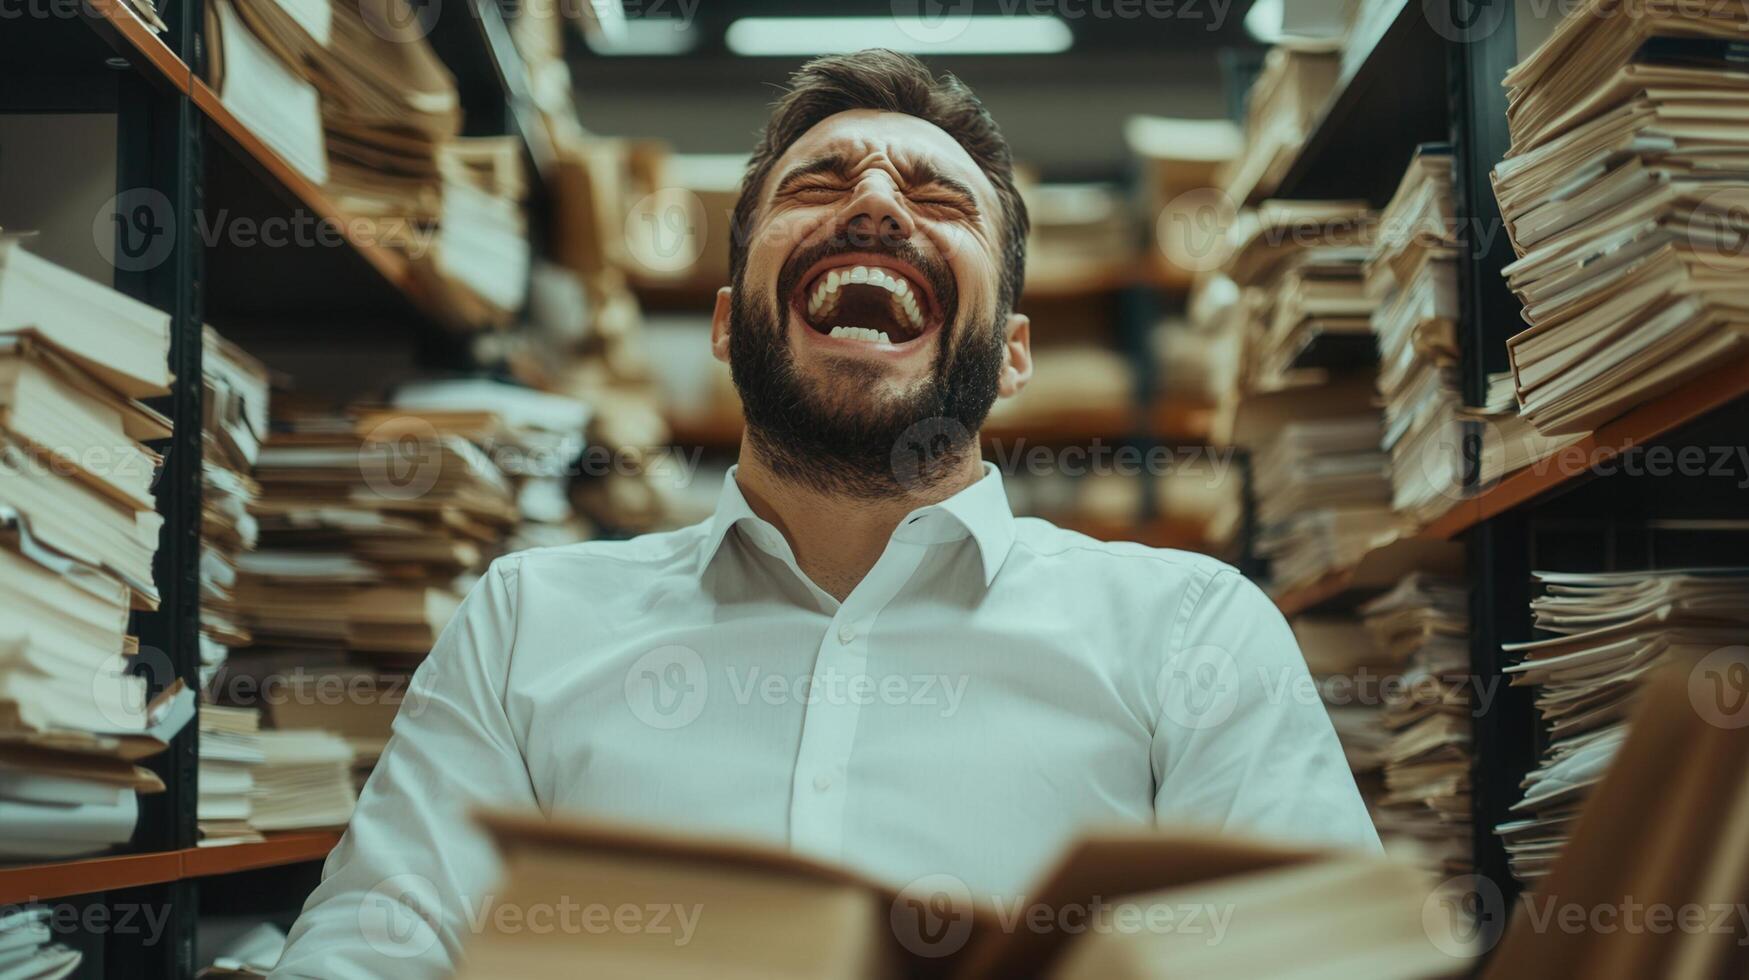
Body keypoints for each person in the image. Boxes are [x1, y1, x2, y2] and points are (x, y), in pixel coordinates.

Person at [270, 48, 1377, 979]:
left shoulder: (1193, 632)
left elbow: (1316, 956)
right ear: (724, 323)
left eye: (938, 199)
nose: (877, 202)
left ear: (1016, 354)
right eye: (819, 182)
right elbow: (376, 942)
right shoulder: (526, 622)